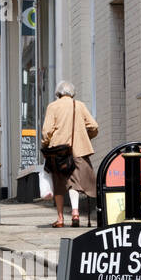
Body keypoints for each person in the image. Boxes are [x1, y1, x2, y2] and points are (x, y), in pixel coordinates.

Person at [41, 80, 100, 228]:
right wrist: (84, 137)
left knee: (59, 183)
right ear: (72, 93)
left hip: (58, 150)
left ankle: (60, 219)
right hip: (78, 150)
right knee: (74, 182)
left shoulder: (53, 106)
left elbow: (46, 131)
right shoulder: (79, 105)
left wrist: (45, 144)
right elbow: (94, 126)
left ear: (58, 92)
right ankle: (75, 213)